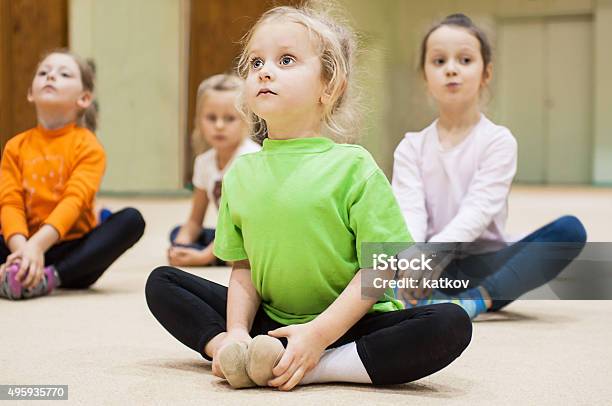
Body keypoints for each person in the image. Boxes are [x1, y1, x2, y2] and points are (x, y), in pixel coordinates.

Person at [146, 5, 471, 391]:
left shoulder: (354, 166)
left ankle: (315, 365)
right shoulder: (241, 173)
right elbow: (243, 270)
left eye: (286, 60)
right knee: (162, 283)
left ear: (329, 86)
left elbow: (382, 268)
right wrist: (235, 331)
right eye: (254, 63)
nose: (264, 70)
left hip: (351, 325)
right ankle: (232, 353)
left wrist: (318, 336)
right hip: (270, 321)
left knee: (450, 322)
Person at [392, 14, 587, 319]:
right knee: (365, 261)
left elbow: (478, 210)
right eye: (439, 61)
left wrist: (436, 254)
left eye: (465, 59)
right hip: (427, 265)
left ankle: (474, 301)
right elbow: (409, 212)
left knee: (569, 230)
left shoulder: (498, 141)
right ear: (425, 76)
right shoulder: (410, 146)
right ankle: (420, 296)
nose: (451, 69)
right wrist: (414, 262)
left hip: (482, 266)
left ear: (486, 73)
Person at [0, 50, 145, 300]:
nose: (51, 77)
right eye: (43, 72)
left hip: (72, 254)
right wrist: (23, 249)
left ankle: (48, 278)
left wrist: (37, 247)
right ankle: (18, 269)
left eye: (64, 73)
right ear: (30, 93)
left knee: (131, 220)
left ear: (84, 98)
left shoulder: (89, 146)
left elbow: (74, 201)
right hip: (18, 243)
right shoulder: (15, 146)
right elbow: (10, 202)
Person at [168, 74, 260, 267]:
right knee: (177, 233)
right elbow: (195, 220)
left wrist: (203, 257)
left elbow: (244, 226)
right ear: (199, 120)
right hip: (226, 234)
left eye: (229, 119)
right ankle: (220, 254)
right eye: (211, 118)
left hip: (251, 233)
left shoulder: (250, 159)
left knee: (249, 244)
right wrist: (180, 245)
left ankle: (221, 256)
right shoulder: (203, 162)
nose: (219, 126)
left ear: (245, 119)